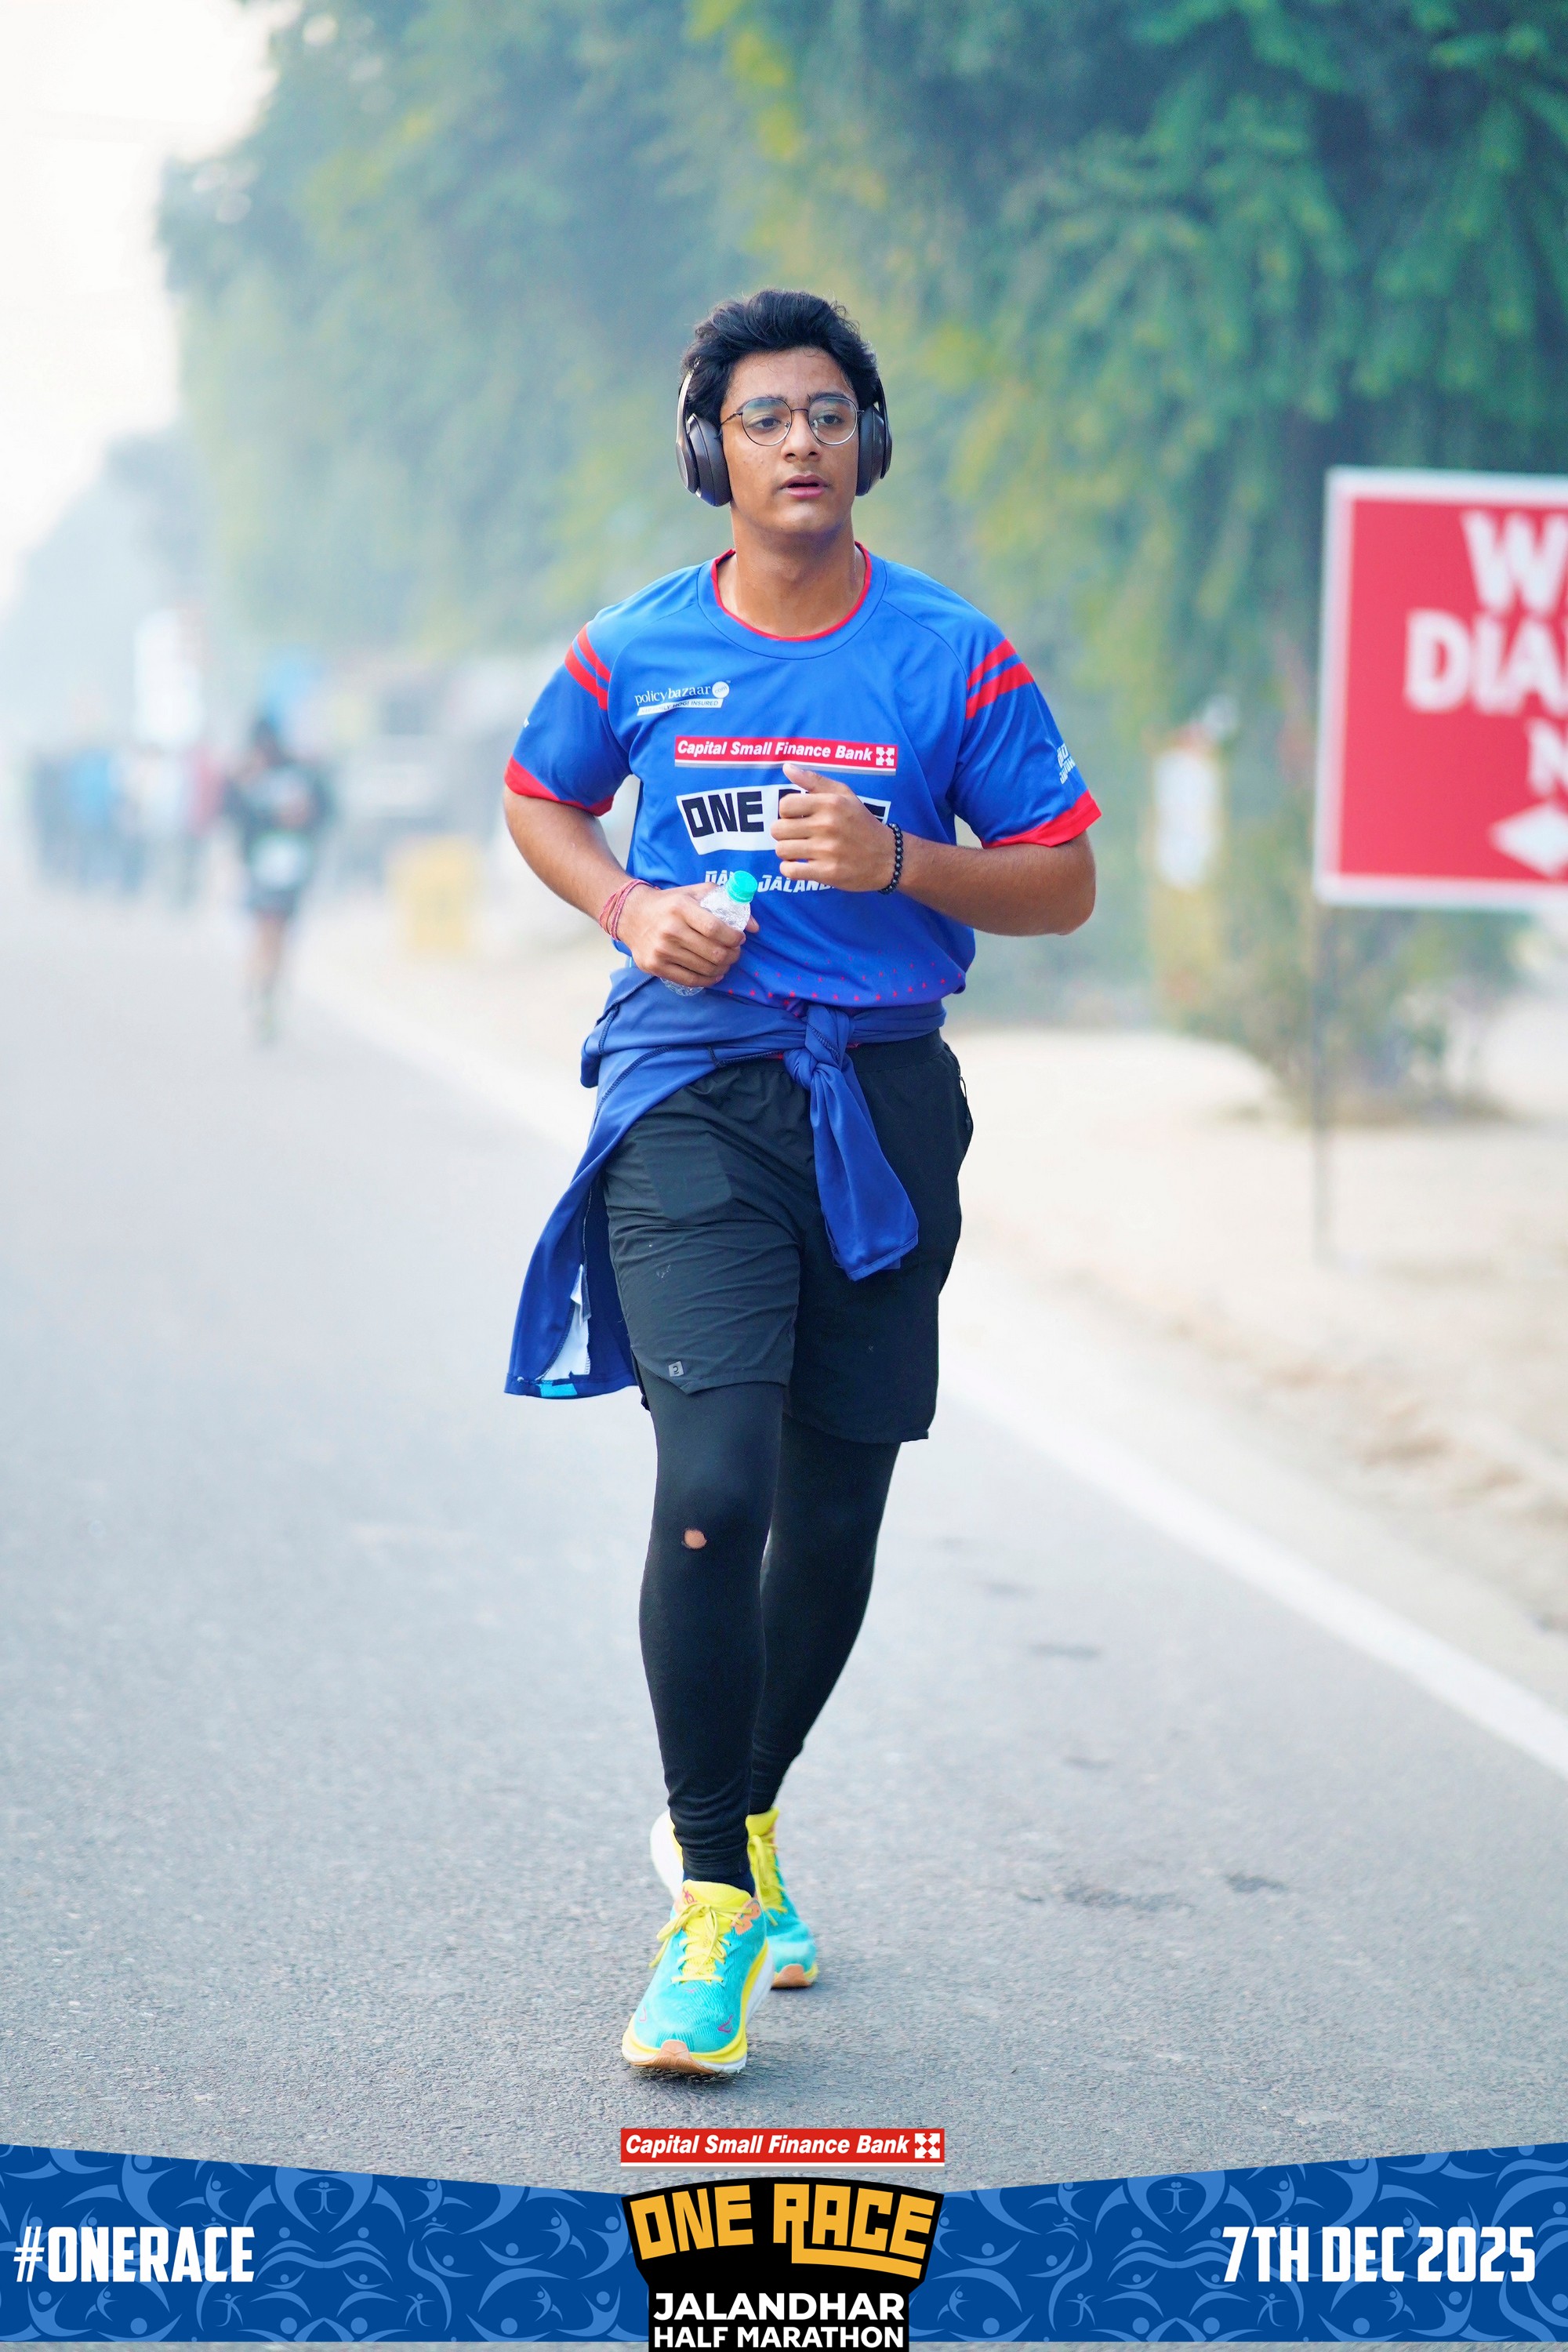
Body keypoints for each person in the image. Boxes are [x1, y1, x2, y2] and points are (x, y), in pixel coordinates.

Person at [503, 288, 1098, 2076]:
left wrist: (906, 858)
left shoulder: (952, 655)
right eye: (764, 418)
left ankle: (746, 1816)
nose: (800, 443)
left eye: (828, 413)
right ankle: (705, 1908)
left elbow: (1063, 877)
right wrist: (629, 906)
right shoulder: (633, 646)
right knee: (714, 1488)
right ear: (713, 452)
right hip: (690, 1089)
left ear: (869, 441)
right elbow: (538, 798)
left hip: (884, 1105)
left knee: (833, 1515)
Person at [225, 717, 333, 1042]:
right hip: (266, 869)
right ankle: (262, 990)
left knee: (275, 934)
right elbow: (234, 815)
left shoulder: (299, 775)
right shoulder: (250, 778)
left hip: (289, 868)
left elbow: (325, 809)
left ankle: (265, 990)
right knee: (269, 933)